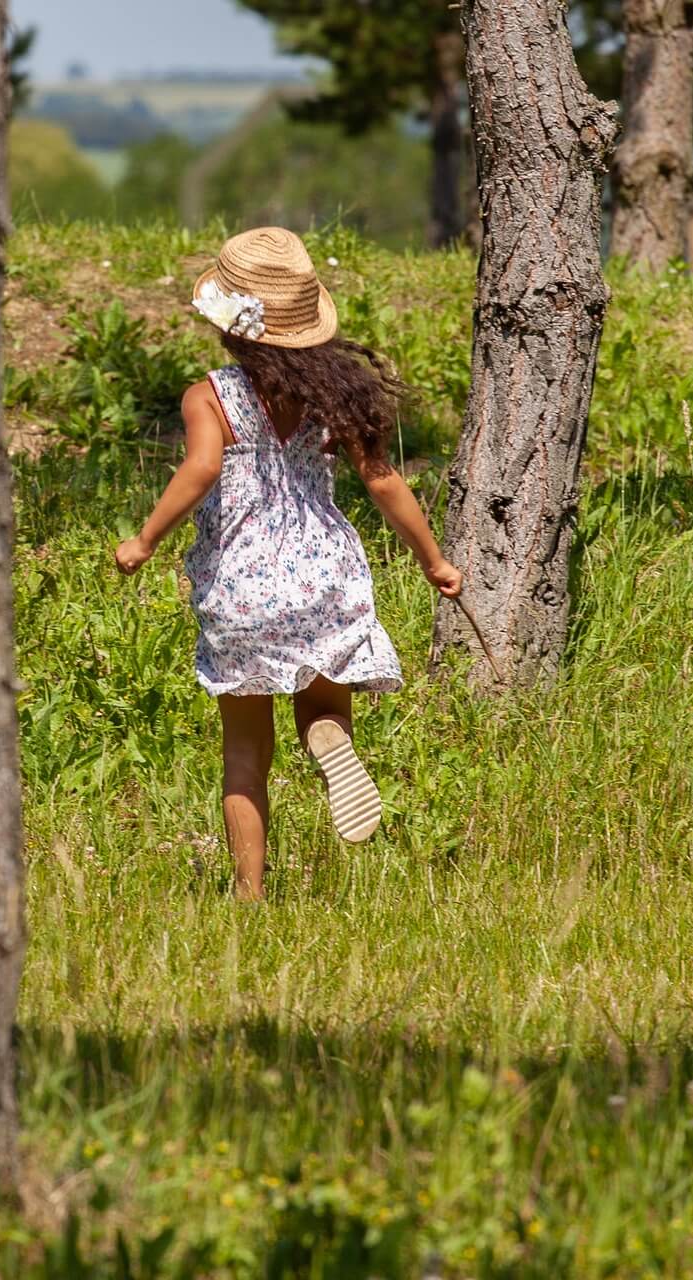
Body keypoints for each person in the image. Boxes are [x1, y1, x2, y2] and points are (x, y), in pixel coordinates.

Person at [115, 227, 462, 901]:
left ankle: (247, 895)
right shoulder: (335, 396)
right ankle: (328, 738)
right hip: (321, 573)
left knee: (244, 753)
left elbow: (202, 467)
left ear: (229, 328)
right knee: (320, 702)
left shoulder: (208, 396)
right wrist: (434, 561)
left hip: (242, 585)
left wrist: (145, 539)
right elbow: (384, 481)